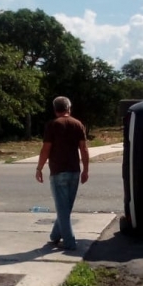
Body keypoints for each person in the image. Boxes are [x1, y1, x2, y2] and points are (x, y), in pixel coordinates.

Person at [35, 96, 89, 250]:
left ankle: (69, 242)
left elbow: (46, 149)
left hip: (58, 171)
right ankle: (55, 235)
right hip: (74, 171)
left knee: (63, 209)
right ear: (69, 108)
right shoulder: (78, 124)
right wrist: (86, 170)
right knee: (65, 208)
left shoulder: (52, 125)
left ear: (55, 109)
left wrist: (39, 168)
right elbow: (83, 149)